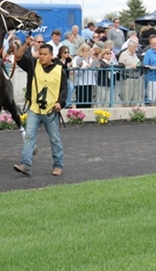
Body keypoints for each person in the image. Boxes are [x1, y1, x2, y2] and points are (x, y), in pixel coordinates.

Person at [13, 43, 67, 177]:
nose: (41, 57)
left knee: (55, 139)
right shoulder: (33, 64)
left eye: (45, 54)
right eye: (40, 54)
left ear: (51, 55)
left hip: (50, 111)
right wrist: (25, 44)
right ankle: (25, 165)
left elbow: (64, 89)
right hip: (34, 109)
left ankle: (58, 166)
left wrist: (60, 102)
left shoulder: (60, 70)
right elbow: (18, 57)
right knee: (29, 137)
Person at [119, 39, 143, 107]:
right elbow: (121, 67)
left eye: (136, 47)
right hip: (128, 78)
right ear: (130, 46)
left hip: (137, 78)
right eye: (135, 47)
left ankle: (135, 112)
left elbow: (138, 62)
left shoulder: (135, 55)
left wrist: (140, 65)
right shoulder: (123, 55)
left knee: (136, 98)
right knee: (127, 98)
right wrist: (130, 67)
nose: (136, 48)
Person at [72, 44, 97, 108]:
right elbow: (77, 72)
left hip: (90, 83)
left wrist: (95, 61)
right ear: (81, 51)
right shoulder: (77, 58)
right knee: (81, 102)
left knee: (88, 102)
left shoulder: (91, 59)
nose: (87, 52)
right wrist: (85, 67)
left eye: (88, 50)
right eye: (85, 51)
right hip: (81, 83)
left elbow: (95, 70)